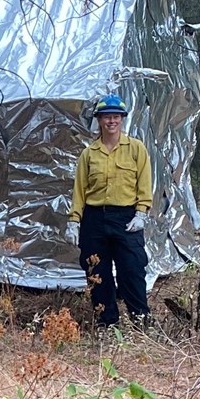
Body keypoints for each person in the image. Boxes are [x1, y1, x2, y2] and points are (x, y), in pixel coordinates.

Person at [65, 94, 152, 327]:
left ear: (122, 119)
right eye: (106, 117)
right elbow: (79, 191)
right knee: (97, 272)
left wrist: (141, 213)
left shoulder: (136, 149)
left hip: (126, 218)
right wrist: (74, 220)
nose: (111, 121)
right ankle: (106, 322)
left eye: (115, 117)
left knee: (132, 269)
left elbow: (144, 184)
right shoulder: (89, 154)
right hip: (95, 219)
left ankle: (140, 320)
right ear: (99, 120)